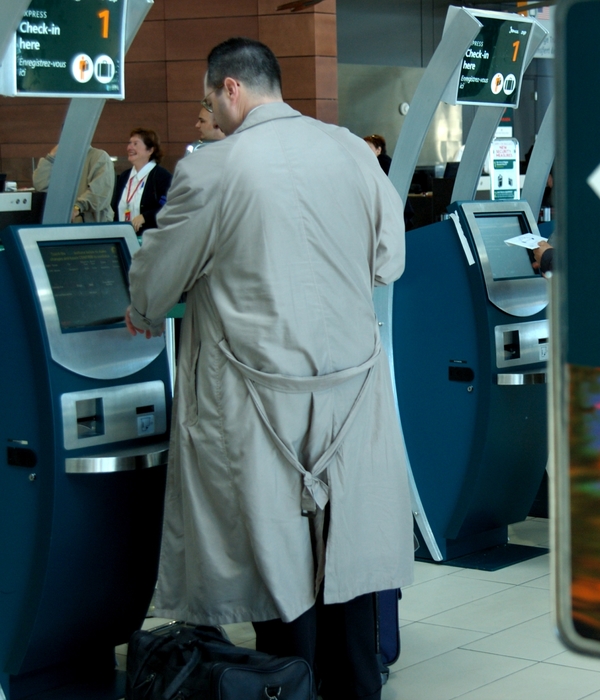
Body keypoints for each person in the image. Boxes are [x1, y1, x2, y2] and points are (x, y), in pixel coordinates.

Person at [123, 37, 412, 700]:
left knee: (278, 568)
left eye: (208, 101)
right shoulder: (349, 149)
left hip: (256, 397)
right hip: (350, 394)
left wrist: (143, 301)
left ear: (230, 88)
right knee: (350, 561)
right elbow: (388, 262)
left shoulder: (215, 168)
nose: (211, 116)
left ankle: (288, 687)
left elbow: (158, 280)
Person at [32, 143, 115, 222]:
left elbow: (100, 193)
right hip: (65, 228)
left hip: (93, 228)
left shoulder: (99, 157)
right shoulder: (62, 161)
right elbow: (41, 185)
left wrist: (77, 207)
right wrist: (51, 157)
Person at [111, 128, 173, 233]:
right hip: (123, 236)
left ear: (150, 150)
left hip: (151, 239)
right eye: (129, 143)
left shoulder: (162, 177)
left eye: (135, 144)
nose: (129, 147)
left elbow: (169, 206)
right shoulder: (124, 176)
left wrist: (145, 217)